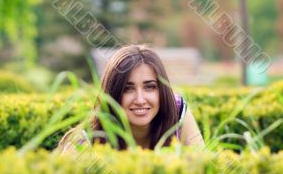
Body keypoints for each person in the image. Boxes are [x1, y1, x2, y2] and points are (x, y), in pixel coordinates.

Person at [58, 44, 204, 153]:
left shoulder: (177, 110)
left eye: (150, 87)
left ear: (162, 90)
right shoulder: (85, 141)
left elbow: (203, 168)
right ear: (112, 94)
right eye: (127, 89)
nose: (140, 99)